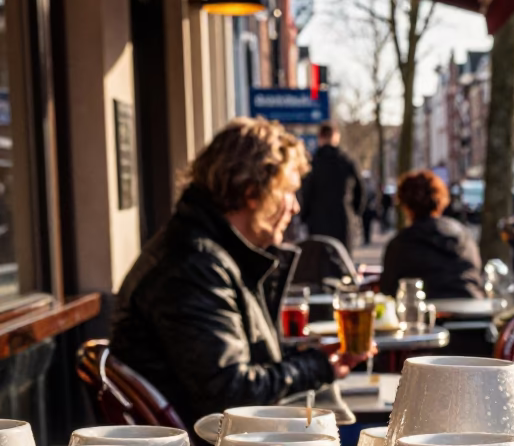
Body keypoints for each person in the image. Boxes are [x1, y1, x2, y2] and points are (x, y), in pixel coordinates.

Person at [110, 117, 373, 428]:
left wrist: (314, 360)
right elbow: (232, 394)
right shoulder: (193, 266)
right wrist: (317, 367)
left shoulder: (210, 254)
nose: (296, 207)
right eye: (288, 192)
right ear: (253, 193)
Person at [380, 169, 485, 299]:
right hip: (472, 309)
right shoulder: (463, 235)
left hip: (426, 314)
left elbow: (388, 289)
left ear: (405, 205)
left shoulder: (400, 244)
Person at [299, 121, 364, 248]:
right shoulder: (346, 161)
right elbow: (360, 191)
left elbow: (304, 193)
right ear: (336, 136)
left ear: (320, 138)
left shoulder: (311, 163)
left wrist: (305, 217)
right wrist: (354, 213)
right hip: (342, 220)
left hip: (317, 222)